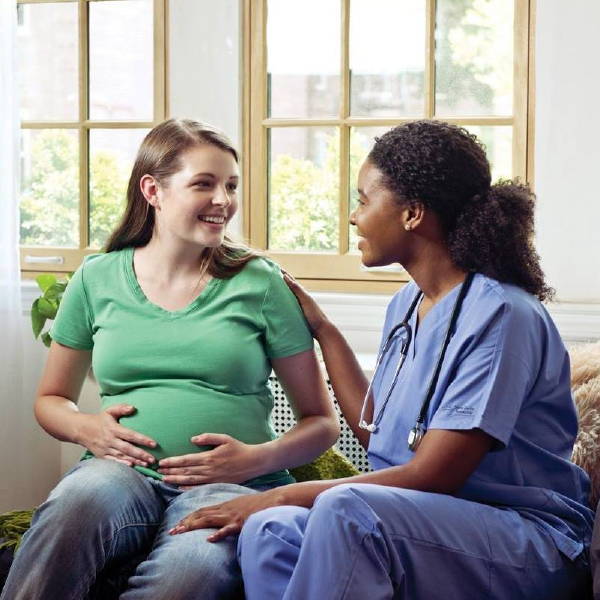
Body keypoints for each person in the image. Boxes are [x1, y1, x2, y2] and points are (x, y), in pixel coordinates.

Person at [170, 120, 594, 599]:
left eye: (364, 199)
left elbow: (434, 474)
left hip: (525, 540)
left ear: (412, 213)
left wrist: (279, 491)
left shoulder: (503, 315)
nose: (354, 216)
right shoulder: (408, 303)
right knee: (272, 529)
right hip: (423, 520)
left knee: (346, 507)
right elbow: (375, 429)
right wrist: (324, 331)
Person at [1, 118, 339, 600]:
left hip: (231, 485)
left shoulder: (260, 282)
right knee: (71, 510)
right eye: (204, 183)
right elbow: (51, 400)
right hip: (119, 474)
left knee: (191, 572)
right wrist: (87, 428)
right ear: (153, 190)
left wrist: (253, 460)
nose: (223, 200)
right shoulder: (96, 279)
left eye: (231, 185)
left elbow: (320, 422)